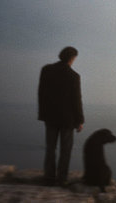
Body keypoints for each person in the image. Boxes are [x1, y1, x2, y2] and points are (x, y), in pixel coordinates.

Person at [38, 46, 84, 186]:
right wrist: (80, 120)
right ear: (72, 58)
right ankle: (62, 178)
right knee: (66, 150)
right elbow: (76, 99)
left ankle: (49, 177)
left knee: (50, 148)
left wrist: (43, 113)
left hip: (50, 116)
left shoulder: (46, 70)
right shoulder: (74, 76)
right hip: (67, 119)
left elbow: (41, 93)